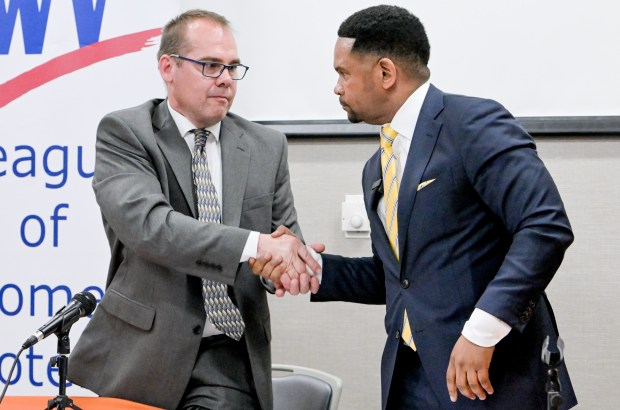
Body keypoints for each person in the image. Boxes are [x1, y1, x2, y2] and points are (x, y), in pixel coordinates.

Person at [252, 5, 577, 409]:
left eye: (343, 73)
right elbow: (399, 278)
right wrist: (311, 268)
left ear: (385, 73)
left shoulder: (472, 123)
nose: (337, 87)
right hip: (411, 380)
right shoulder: (377, 166)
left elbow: (545, 227)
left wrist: (482, 332)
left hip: (493, 379)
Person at [67, 9, 320, 410]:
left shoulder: (266, 146)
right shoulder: (126, 133)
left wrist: (289, 268)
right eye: (210, 65)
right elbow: (151, 228)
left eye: (233, 67)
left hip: (226, 352)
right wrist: (256, 246)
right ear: (168, 67)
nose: (225, 78)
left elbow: (284, 241)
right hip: (142, 350)